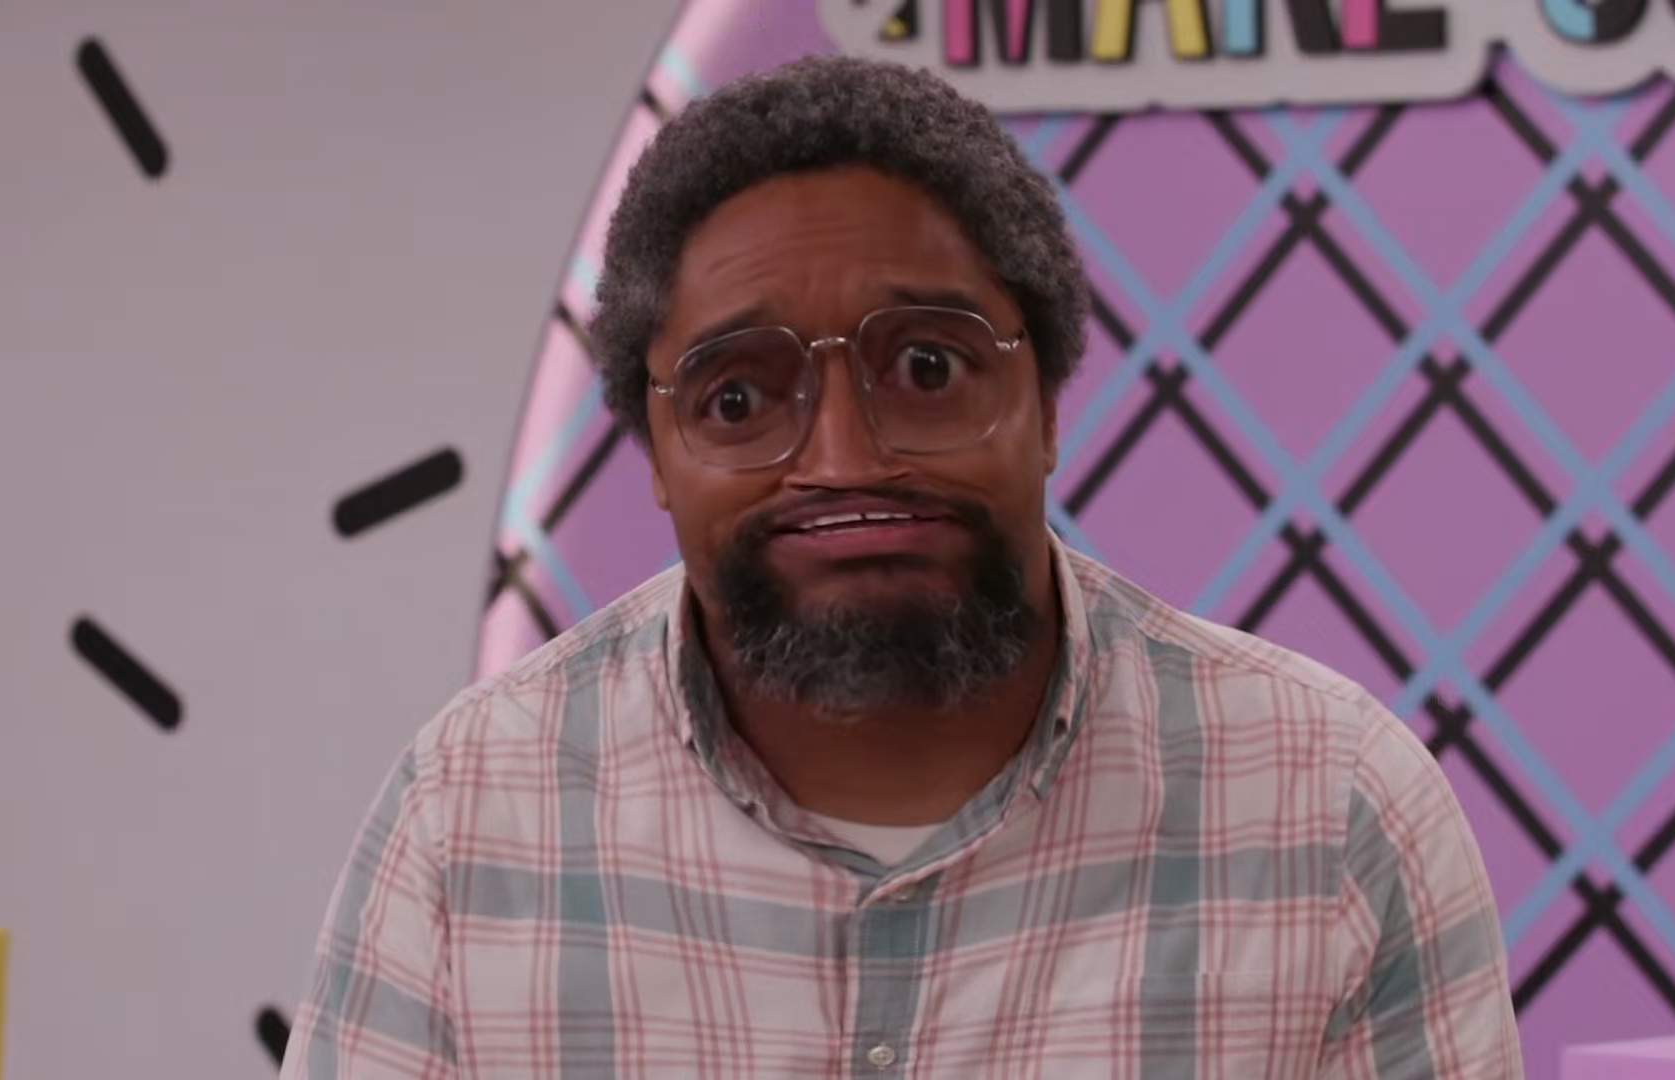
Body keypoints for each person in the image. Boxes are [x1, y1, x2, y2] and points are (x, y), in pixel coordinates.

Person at [279, 55, 1522, 1078]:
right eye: (738, 396)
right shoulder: (474, 813)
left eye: (926, 367)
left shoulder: (1328, 806)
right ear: (655, 452)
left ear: (1045, 403)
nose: (845, 458)